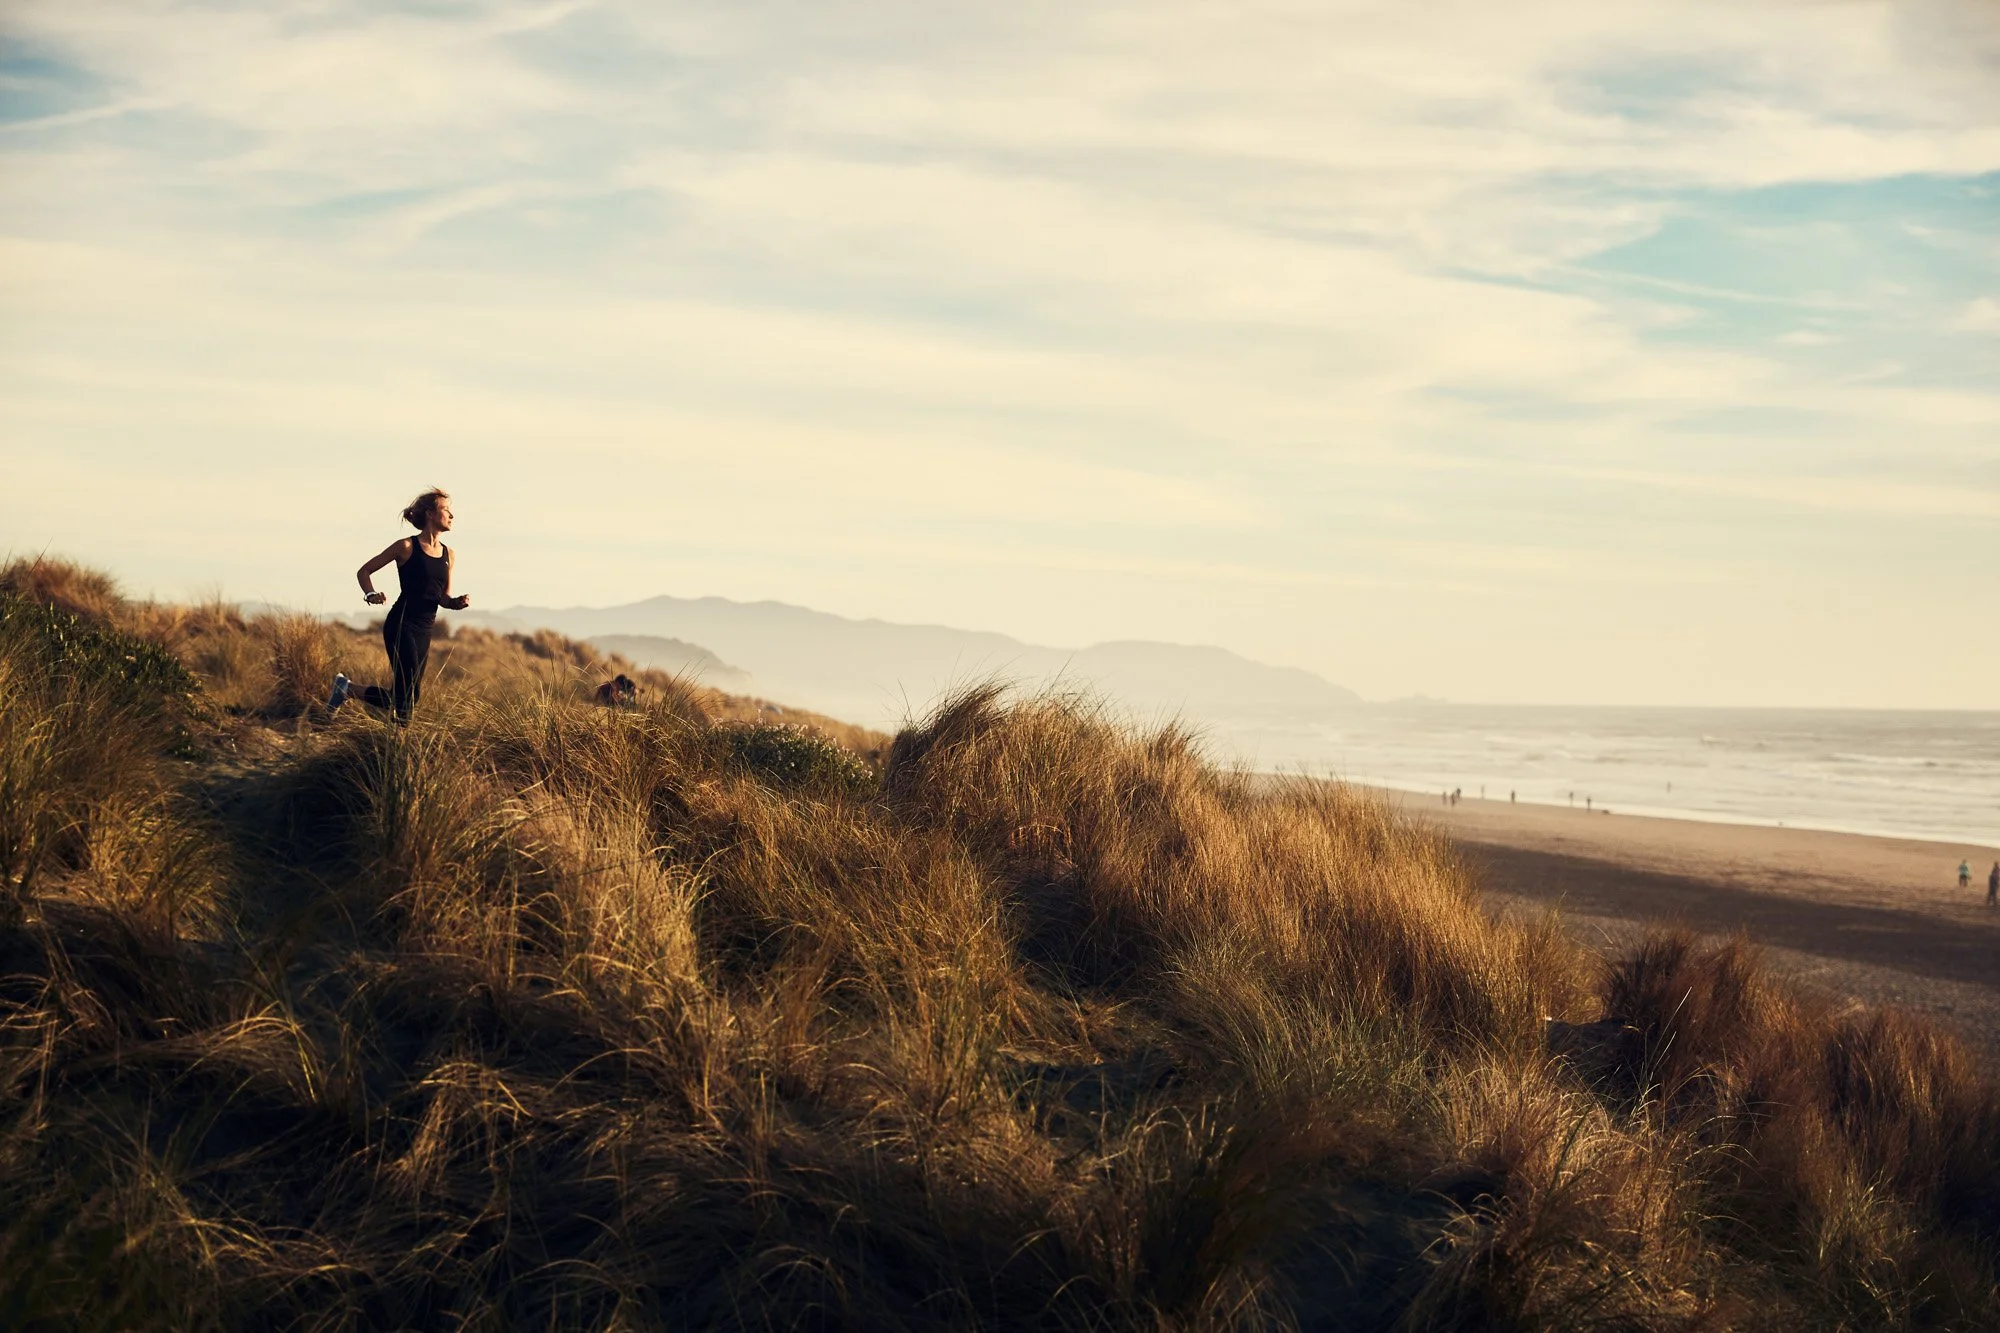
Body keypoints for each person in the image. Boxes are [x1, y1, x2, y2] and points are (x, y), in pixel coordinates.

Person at [327, 488, 469, 723]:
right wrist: (370, 593)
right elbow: (364, 571)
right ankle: (396, 749)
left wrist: (456, 603)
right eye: (446, 509)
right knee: (407, 696)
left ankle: (347, 689)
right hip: (401, 625)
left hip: (425, 629)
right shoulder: (406, 547)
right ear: (431, 514)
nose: (452, 515)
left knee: (408, 697)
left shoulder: (449, 555)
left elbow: (442, 597)